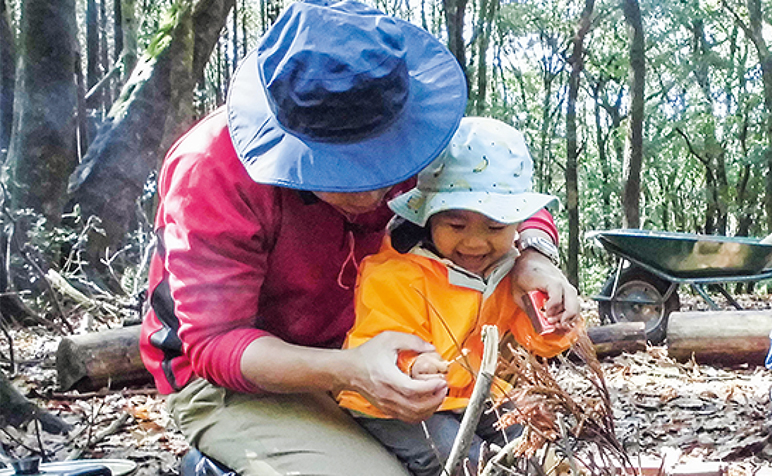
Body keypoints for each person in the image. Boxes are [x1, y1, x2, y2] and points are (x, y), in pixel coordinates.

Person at [139, 1, 579, 475]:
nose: (373, 191)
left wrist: (534, 253)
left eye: (385, 159)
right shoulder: (213, 170)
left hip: (363, 352)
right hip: (245, 380)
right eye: (342, 172)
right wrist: (351, 370)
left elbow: (498, 190)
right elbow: (215, 346)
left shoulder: (415, 125)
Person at [337, 117, 580, 476]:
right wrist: (412, 365)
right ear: (427, 216)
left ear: (518, 225)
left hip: (472, 396)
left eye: (495, 227)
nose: (475, 242)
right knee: (464, 459)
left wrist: (556, 324)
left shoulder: (508, 270)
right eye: (456, 225)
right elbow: (380, 340)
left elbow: (536, 341)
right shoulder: (397, 273)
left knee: (537, 443)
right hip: (396, 402)